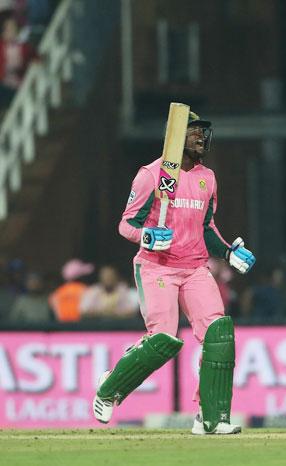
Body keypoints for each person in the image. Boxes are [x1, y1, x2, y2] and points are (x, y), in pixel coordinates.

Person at [92, 111, 256, 435]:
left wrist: (227, 251)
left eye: (202, 133)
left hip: (195, 268)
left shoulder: (207, 177)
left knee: (218, 333)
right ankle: (110, 387)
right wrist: (147, 237)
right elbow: (126, 224)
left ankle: (210, 418)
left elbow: (207, 227)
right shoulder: (150, 175)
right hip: (157, 267)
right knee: (163, 340)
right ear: (176, 137)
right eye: (194, 132)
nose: (201, 139)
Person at [49, 258, 94, 322]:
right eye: (84, 274)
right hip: (81, 328)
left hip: (61, 329)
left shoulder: (56, 294)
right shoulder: (87, 290)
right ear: (80, 276)